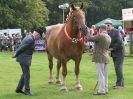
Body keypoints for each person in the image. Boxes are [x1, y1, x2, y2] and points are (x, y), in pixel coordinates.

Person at [12, 28, 43, 95]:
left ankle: (19, 89)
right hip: (24, 59)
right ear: (37, 34)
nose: (39, 38)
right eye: (39, 37)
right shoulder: (30, 39)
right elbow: (22, 48)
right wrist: (16, 54)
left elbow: (24, 47)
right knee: (27, 75)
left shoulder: (29, 37)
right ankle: (27, 91)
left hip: (23, 58)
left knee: (24, 74)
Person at [87, 24, 111, 95]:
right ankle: (105, 89)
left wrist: (87, 32)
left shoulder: (100, 35)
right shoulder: (108, 36)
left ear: (101, 29)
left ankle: (101, 90)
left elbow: (89, 38)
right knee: (105, 75)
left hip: (100, 57)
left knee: (100, 75)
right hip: (106, 57)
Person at [105, 20, 125, 89]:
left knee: (118, 68)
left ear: (111, 25)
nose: (107, 27)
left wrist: (112, 49)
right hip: (114, 53)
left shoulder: (116, 31)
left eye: (108, 25)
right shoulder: (108, 33)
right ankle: (121, 83)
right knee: (117, 68)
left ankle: (119, 85)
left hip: (119, 52)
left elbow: (119, 42)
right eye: (106, 25)